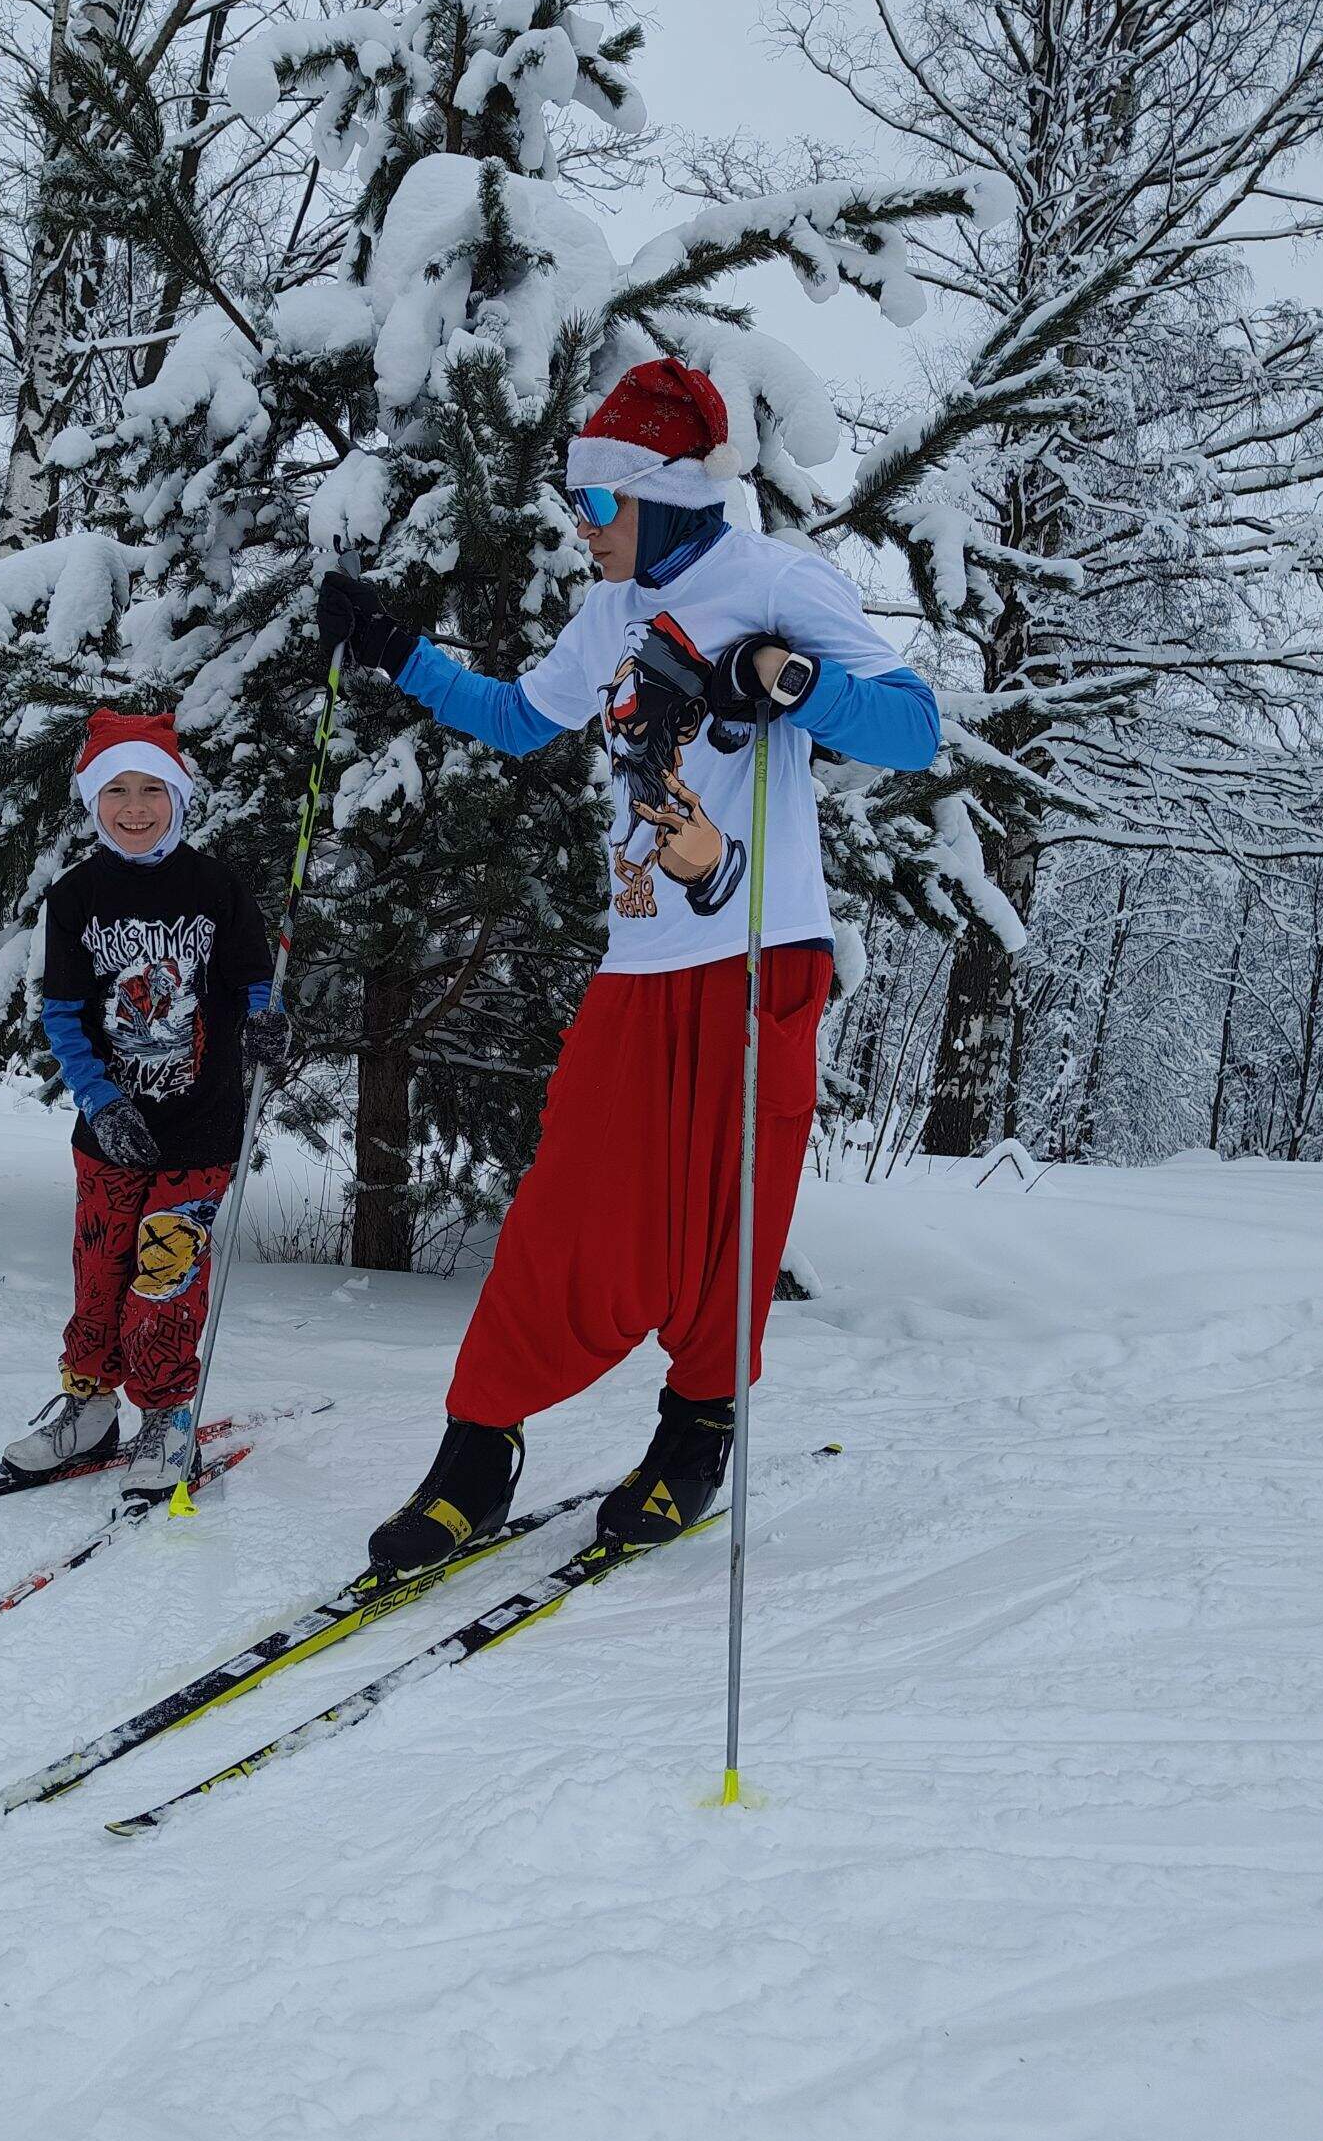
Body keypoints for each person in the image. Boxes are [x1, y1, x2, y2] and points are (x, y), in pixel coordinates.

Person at [320, 356, 940, 1573]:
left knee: (729, 1219)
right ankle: (475, 1451)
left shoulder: (769, 578)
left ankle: (698, 1430)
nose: (583, 528)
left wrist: (787, 679)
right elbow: (518, 717)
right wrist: (393, 649)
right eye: (577, 505)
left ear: (660, 497)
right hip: (645, 957)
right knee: (569, 1210)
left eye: (597, 506)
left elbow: (912, 727)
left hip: (761, 950)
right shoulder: (605, 615)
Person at [0, 709, 286, 1497]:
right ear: (94, 800)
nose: (133, 806)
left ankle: (164, 1416)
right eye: (115, 789)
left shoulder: (217, 888)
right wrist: (98, 1099)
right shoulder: (78, 895)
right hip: (110, 1130)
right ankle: (89, 1410)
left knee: (163, 1277)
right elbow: (62, 1013)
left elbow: (257, 984)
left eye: (150, 788)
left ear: (178, 795)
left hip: (200, 1129)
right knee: (99, 1272)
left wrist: (267, 1025)